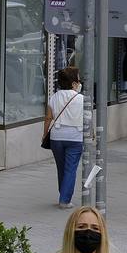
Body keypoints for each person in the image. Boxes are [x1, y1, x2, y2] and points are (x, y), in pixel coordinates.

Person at [45, 66, 85, 208]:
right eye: (79, 80)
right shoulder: (82, 99)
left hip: (57, 136)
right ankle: (65, 199)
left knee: (61, 168)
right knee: (70, 168)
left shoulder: (54, 97)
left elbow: (48, 118)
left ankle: (63, 193)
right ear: (74, 83)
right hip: (75, 137)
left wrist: (44, 134)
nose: (80, 83)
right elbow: (88, 120)